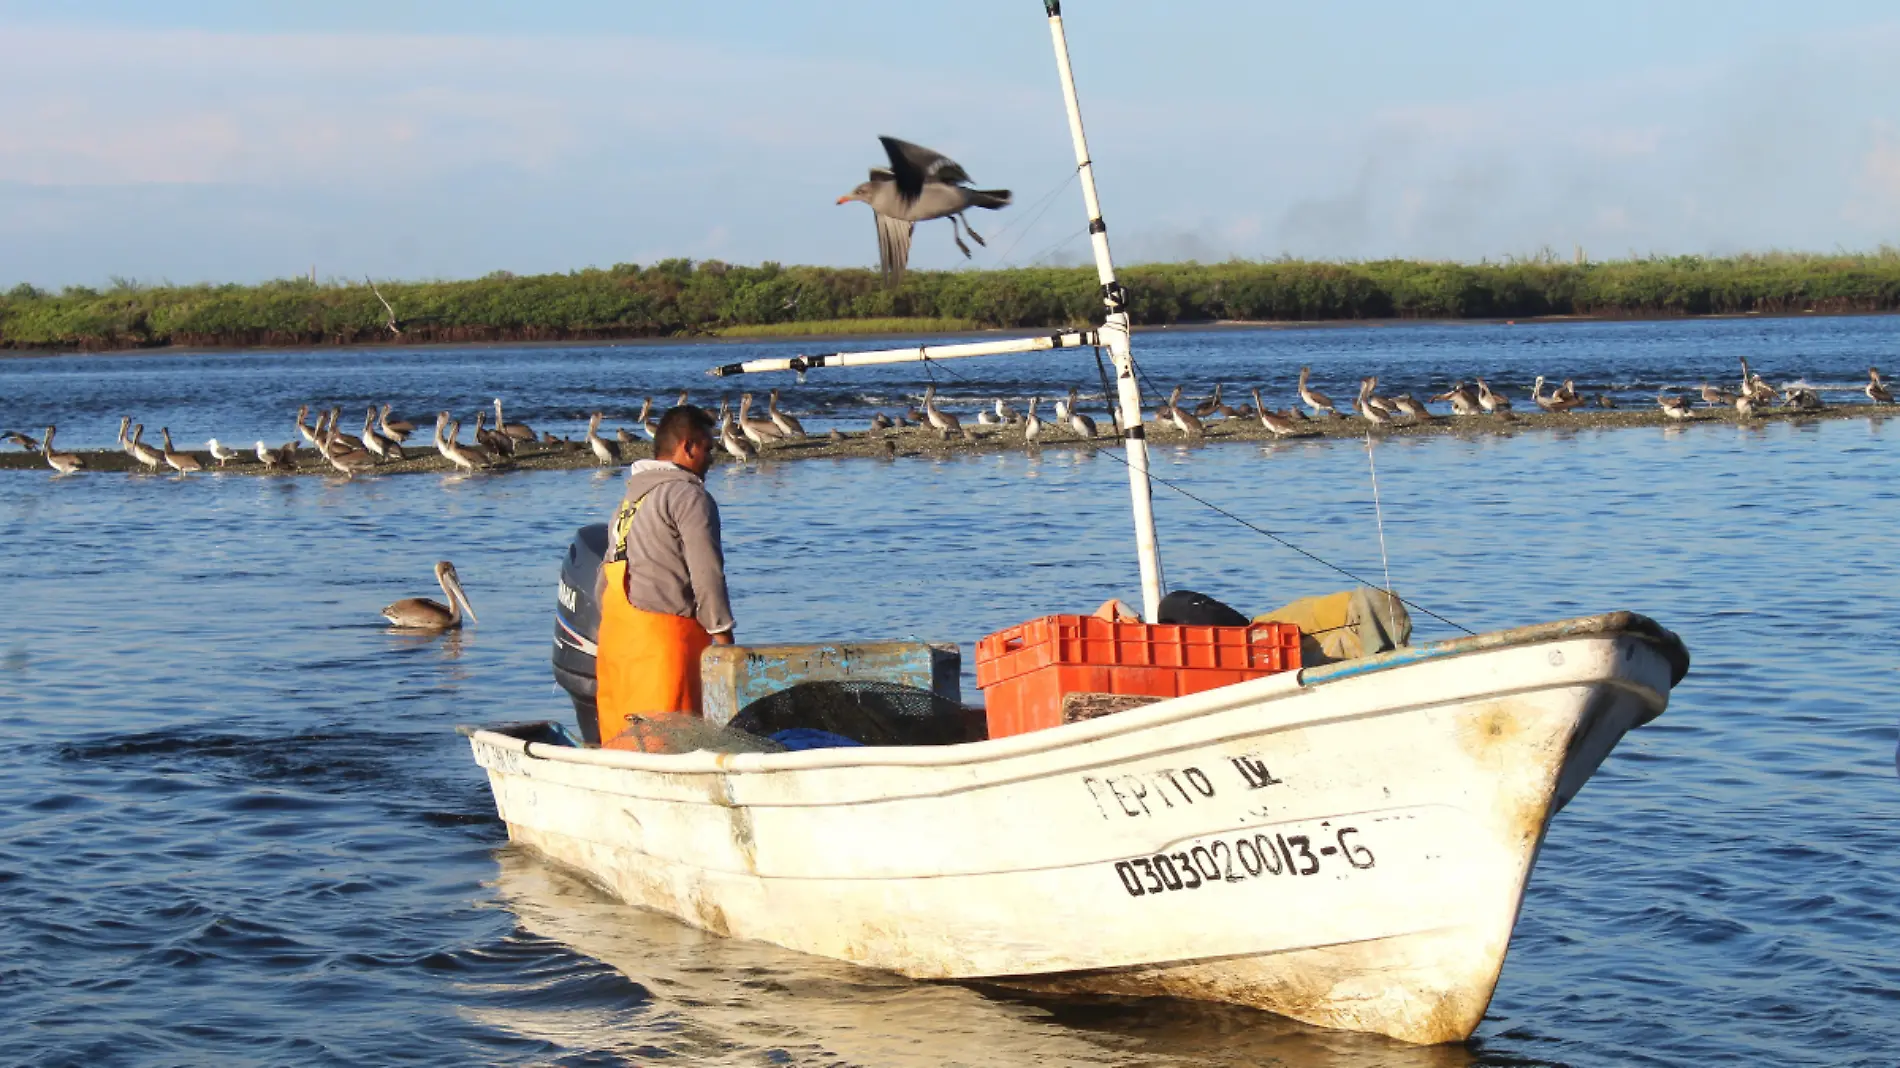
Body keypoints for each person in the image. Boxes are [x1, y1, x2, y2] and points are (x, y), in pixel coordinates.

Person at [595, 405, 735, 748]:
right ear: (687, 447)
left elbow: (603, 579)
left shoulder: (629, 499)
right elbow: (707, 572)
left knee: (622, 748)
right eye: (708, 447)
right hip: (666, 650)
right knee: (674, 747)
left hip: (616, 647)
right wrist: (724, 640)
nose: (712, 457)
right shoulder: (688, 494)